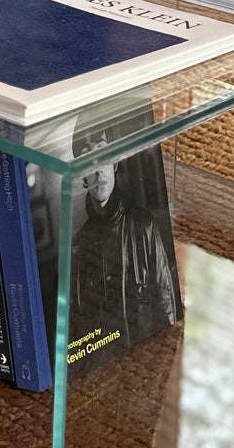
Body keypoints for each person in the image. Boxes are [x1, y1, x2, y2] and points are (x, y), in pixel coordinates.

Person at [68, 129, 180, 367]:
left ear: (115, 163)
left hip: (145, 368)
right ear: (82, 177)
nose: (99, 169)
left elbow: (166, 307)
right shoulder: (77, 249)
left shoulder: (143, 226)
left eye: (104, 154)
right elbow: (77, 332)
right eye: (89, 159)